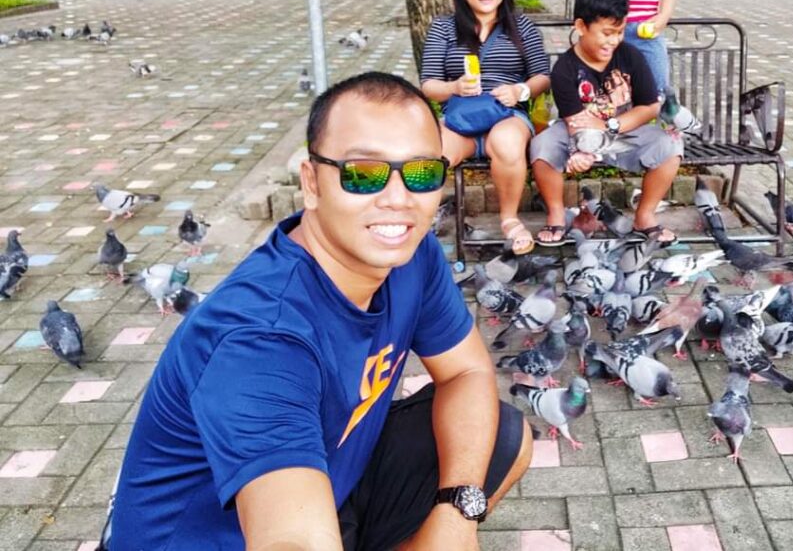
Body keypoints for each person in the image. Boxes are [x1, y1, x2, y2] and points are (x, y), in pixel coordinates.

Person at [105, 72, 531, 551]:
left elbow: (468, 372)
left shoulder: (411, 256)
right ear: (311, 183)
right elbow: (293, 539)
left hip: (333, 483)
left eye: (421, 173)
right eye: (363, 173)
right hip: (223, 537)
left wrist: (456, 514)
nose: (398, 200)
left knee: (504, 435)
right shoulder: (259, 340)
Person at [529, 0, 682, 246]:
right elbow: (575, 121)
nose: (613, 41)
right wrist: (582, 151)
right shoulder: (564, 69)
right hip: (576, 131)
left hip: (623, 130)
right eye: (607, 32)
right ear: (580, 27)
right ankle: (555, 215)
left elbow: (649, 107)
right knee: (542, 146)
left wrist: (611, 126)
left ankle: (644, 217)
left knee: (670, 145)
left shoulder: (631, 55)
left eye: (620, 31)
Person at [421, 0, 551, 256]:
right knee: (430, 154)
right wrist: (454, 87)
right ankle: (418, 221)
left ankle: (509, 219)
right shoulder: (443, 27)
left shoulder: (522, 26)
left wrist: (519, 91)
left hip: (506, 115)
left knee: (506, 142)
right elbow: (428, 84)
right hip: (460, 120)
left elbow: (542, 76)